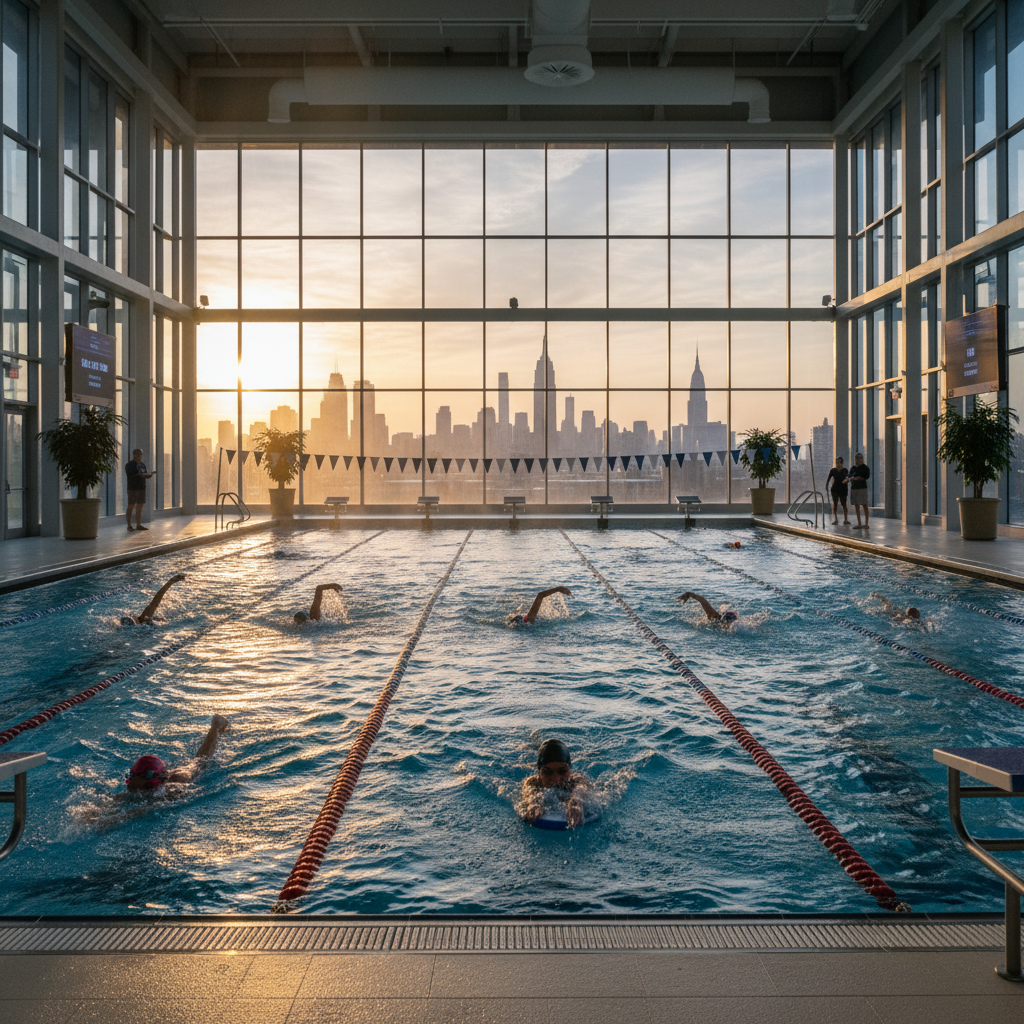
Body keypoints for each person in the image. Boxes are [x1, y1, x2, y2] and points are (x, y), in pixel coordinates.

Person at [124, 715, 230, 793]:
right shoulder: (135, 782)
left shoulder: (174, 787)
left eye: (142, 785)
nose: (136, 787)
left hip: (188, 772)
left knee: (200, 761)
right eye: (134, 783)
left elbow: (143, 810)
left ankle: (216, 727)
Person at [519, 738, 594, 827]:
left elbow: (582, 788)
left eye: (562, 771)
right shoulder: (533, 781)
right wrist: (533, 803)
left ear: (570, 770)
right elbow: (529, 791)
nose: (556, 779)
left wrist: (576, 802)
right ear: (539, 773)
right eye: (547, 772)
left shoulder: (576, 779)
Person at [120, 573, 185, 625]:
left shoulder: (143, 619)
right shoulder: (143, 620)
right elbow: (156, 601)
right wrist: (170, 582)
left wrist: (170, 582)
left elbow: (156, 601)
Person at [508, 586, 572, 626]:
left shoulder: (527, 619)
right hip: (528, 621)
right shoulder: (529, 618)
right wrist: (559, 588)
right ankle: (559, 589)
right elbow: (540, 595)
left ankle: (559, 589)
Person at [125, 448, 155, 532]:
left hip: (141, 487)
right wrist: (138, 475)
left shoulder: (142, 465)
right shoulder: (129, 465)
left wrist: (148, 475)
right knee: (131, 506)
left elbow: (143, 475)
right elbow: (130, 475)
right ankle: (129, 525)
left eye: (139, 453)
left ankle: (138, 525)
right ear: (133, 454)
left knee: (140, 506)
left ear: (141, 455)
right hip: (133, 488)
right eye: (136, 453)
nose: (138, 455)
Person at [825, 456, 851, 525]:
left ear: (842, 463)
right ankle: (835, 519)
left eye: (840, 463)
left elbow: (848, 478)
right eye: (837, 463)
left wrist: (846, 481)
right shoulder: (833, 470)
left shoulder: (845, 470)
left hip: (843, 489)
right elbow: (829, 479)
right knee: (835, 504)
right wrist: (827, 486)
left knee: (844, 504)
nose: (838, 464)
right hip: (835, 489)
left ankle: (846, 519)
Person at [849, 452, 871, 528]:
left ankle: (866, 524)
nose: (859, 459)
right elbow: (850, 477)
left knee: (864, 505)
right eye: (857, 458)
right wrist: (854, 478)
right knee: (856, 505)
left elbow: (866, 476)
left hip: (862, 488)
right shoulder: (853, 468)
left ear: (863, 459)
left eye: (860, 457)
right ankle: (859, 523)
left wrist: (858, 478)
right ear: (855, 459)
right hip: (854, 488)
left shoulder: (865, 468)